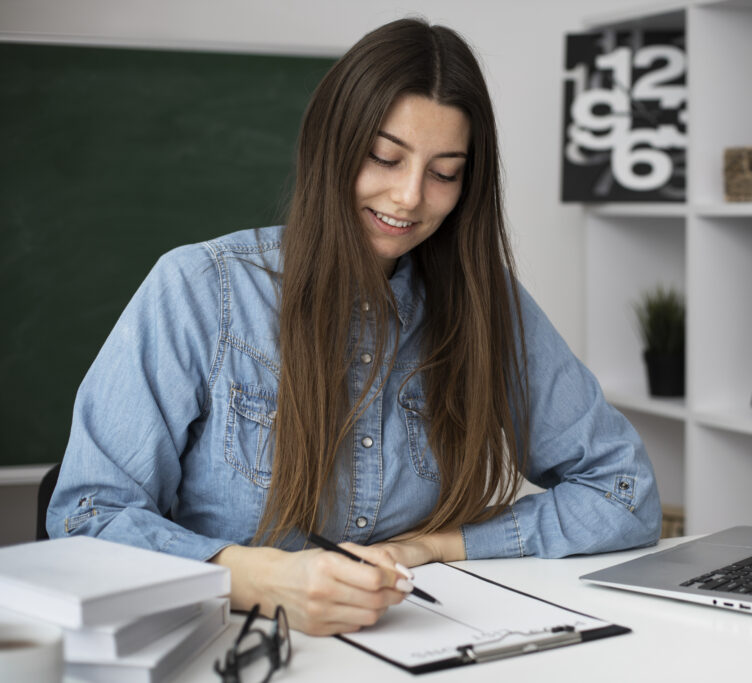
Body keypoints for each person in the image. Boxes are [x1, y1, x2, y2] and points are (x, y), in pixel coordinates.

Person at [47, 17, 661, 636]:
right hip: (236, 647)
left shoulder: (485, 302)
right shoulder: (201, 289)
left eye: (444, 172)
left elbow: (623, 491)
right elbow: (87, 516)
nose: (409, 196)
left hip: (417, 644)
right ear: (331, 145)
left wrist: (433, 546)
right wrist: (255, 579)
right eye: (384, 158)